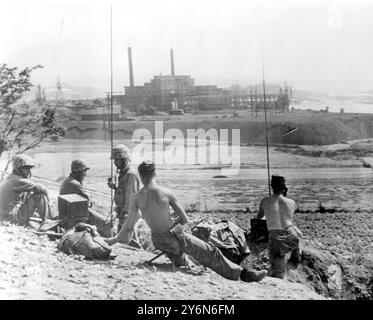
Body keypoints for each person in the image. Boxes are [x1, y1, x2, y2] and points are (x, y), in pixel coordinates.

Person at [106, 161, 266, 283]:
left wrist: (114, 239)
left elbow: (128, 225)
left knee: (184, 255)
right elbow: (184, 220)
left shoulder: (137, 197)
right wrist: (171, 224)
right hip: (173, 237)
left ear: (141, 176)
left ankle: (181, 258)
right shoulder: (166, 193)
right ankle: (244, 274)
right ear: (155, 174)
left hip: (157, 240)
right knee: (211, 251)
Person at [256, 175, 302, 279]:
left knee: (277, 265)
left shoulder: (265, 201)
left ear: (272, 186)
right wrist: (284, 194)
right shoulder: (292, 202)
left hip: (276, 236)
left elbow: (259, 218)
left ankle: (280, 276)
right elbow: (287, 217)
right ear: (284, 188)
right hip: (291, 234)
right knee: (294, 236)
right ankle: (295, 256)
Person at [59, 159, 112, 237]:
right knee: (106, 223)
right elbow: (88, 202)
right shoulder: (76, 184)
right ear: (78, 172)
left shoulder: (67, 181)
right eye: (84, 171)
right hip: (77, 215)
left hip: (67, 214)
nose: (85, 174)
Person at [0, 154, 56, 226]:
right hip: (10, 218)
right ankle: (49, 221)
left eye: (29, 168)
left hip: (5, 215)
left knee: (29, 192)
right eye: (26, 168)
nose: (29, 171)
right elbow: (42, 188)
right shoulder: (18, 180)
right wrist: (49, 201)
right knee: (39, 195)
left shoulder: (12, 177)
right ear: (18, 168)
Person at [107, 144, 140, 233]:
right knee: (126, 240)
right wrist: (114, 187)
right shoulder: (123, 173)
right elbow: (124, 191)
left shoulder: (130, 174)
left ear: (124, 159)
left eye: (117, 160)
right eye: (114, 160)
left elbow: (131, 197)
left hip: (128, 215)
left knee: (127, 240)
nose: (114, 162)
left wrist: (126, 216)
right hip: (124, 213)